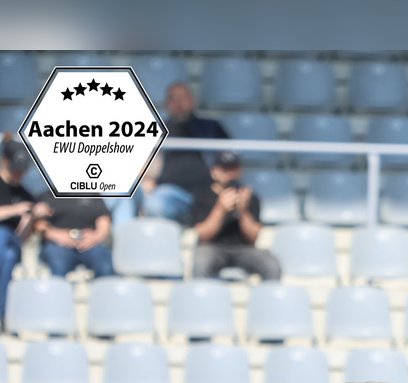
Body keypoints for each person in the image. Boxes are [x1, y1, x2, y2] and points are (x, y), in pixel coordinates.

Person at [136, 82, 230, 224]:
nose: (179, 103)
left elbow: (230, 159)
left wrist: (221, 180)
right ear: (167, 103)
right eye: (174, 98)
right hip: (170, 192)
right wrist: (147, 179)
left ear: (192, 101)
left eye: (183, 98)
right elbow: (144, 165)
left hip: (209, 191)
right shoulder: (156, 129)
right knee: (155, 204)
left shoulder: (211, 127)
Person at [190, 151, 280, 282]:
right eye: (225, 169)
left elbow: (253, 238)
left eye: (234, 168)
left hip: (243, 249)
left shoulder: (250, 198)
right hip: (212, 247)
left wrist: (243, 211)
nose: (230, 173)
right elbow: (203, 235)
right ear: (214, 171)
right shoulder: (202, 196)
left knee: (271, 264)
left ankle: (269, 300)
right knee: (200, 261)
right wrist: (220, 209)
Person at [0, 139, 52, 331]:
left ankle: (4, 315)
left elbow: (24, 237)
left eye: (22, 169)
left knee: (9, 249)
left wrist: (31, 217)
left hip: (11, 245)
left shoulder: (26, 195)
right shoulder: (18, 199)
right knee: (5, 243)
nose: (19, 173)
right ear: (5, 160)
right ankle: (3, 314)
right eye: (15, 167)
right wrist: (15, 210)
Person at [32, 193, 115, 279]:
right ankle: (57, 292)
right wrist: (55, 235)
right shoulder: (47, 195)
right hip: (57, 244)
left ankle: (105, 291)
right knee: (58, 266)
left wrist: (96, 237)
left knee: (105, 265)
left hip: (90, 244)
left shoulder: (93, 195)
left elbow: (104, 221)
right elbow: (38, 225)